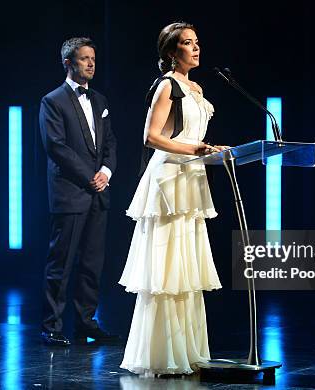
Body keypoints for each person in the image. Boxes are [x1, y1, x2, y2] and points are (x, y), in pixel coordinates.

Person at [119, 22, 226, 375]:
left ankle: (188, 351)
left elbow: (193, 136)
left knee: (186, 269)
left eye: (197, 42)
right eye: (186, 43)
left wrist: (211, 150)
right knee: (168, 271)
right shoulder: (167, 86)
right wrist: (194, 147)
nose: (195, 48)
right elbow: (151, 137)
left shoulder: (195, 87)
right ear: (170, 52)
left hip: (191, 176)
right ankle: (162, 355)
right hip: (168, 181)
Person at [39, 37, 118, 346]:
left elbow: (110, 142)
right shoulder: (53, 100)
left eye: (93, 59)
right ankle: (51, 326)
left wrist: (106, 172)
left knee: (91, 263)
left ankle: (85, 321)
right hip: (71, 192)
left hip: (98, 193)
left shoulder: (100, 100)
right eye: (84, 58)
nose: (91, 63)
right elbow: (56, 147)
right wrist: (90, 177)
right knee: (62, 262)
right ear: (68, 63)